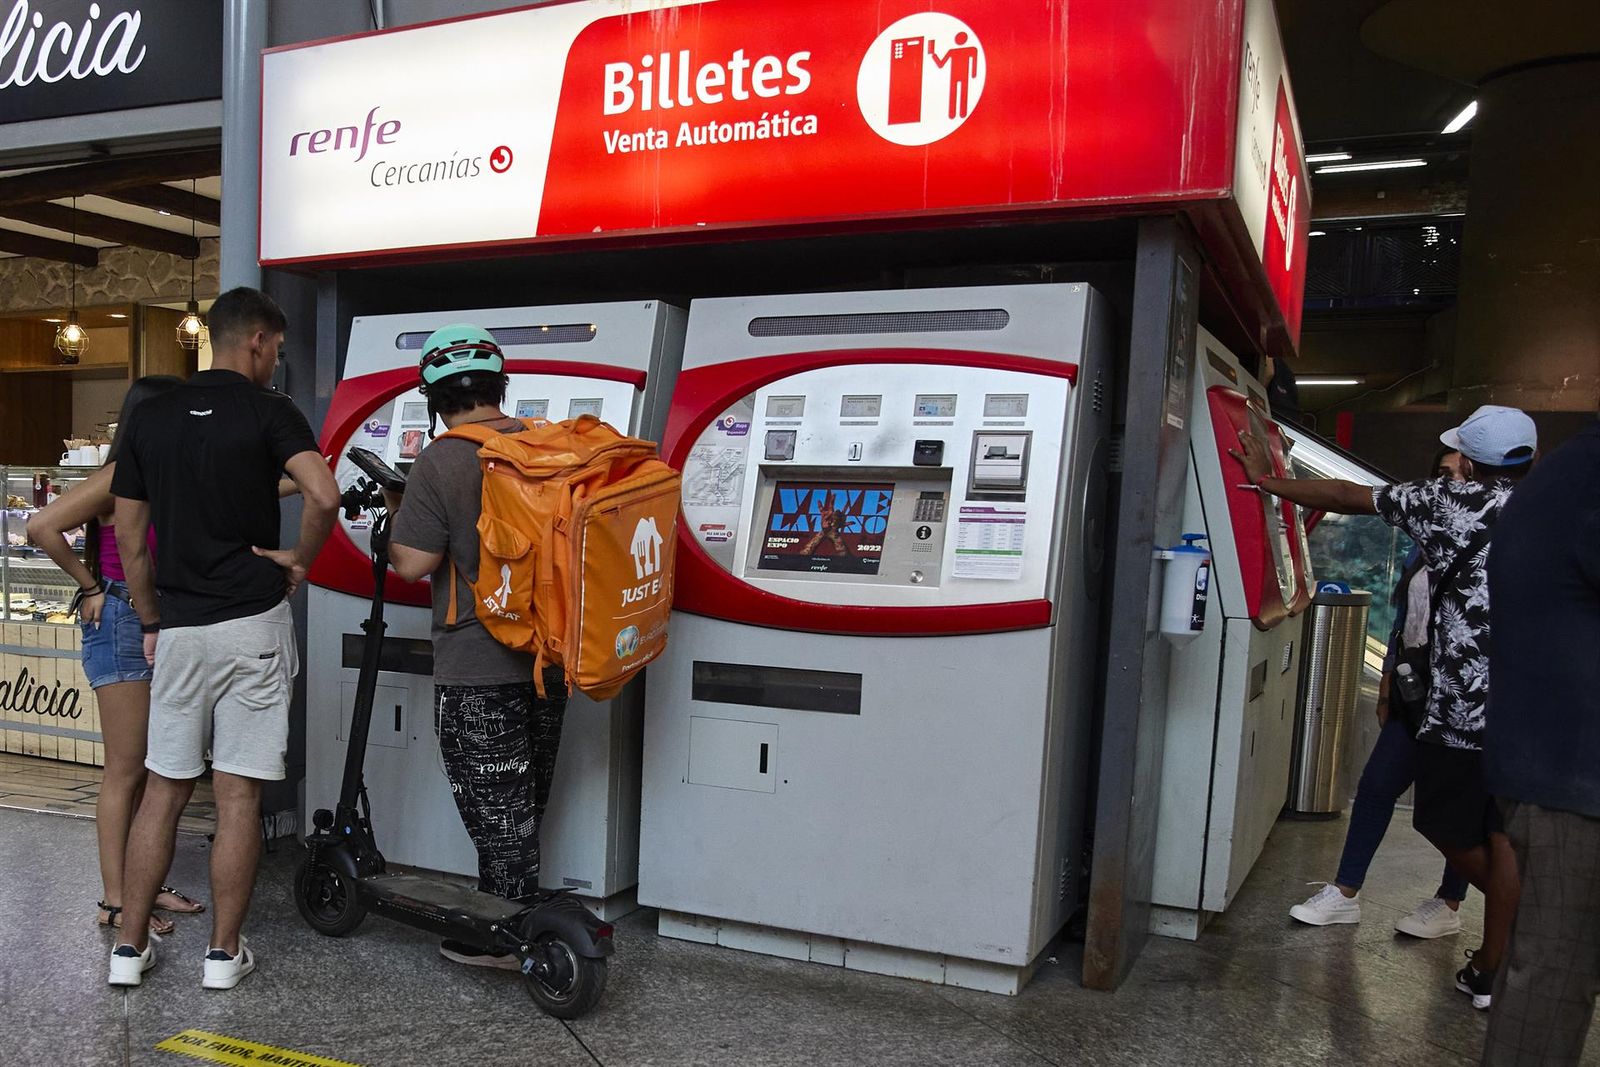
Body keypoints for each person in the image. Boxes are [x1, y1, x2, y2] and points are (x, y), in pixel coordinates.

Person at [1234, 404, 1536, 1010]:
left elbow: (1348, 494)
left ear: (1469, 461)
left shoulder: (1448, 500)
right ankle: (1493, 966)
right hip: (1532, 704)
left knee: (1442, 821)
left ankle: (1532, 923)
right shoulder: (1551, 505)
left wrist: (1268, 481)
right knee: (1500, 832)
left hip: (1462, 708)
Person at [105, 287, 340, 989]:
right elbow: (323, 494)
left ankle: (128, 948)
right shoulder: (271, 411)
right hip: (252, 624)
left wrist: (150, 618)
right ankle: (221, 955)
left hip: (179, 630)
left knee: (163, 791)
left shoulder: (151, 416)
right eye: (277, 349)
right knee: (237, 797)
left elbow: (127, 535)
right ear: (259, 341)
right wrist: (298, 560)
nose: (276, 361)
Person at [384, 323, 568, 970]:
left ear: (434, 398)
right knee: (523, 805)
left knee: (498, 810)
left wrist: (398, 508)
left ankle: (512, 940)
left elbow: (411, 562)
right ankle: (506, 913)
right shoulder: (545, 447)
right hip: (548, 660)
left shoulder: (440, 459)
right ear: (500, 385)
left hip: (476, 665)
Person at [26, 376, 208, 938]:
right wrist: (90, 586)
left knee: (157, 767)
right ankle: (114, 901)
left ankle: (144, 885)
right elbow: (40, 526)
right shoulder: (117, 474)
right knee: (126, 771)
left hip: (161, 621)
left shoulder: (165, 470)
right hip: (123, 621)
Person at [1289, 447, 1472, 936]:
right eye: (1441, 474)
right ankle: (1345, 891)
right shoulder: (1422, 538)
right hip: (1418, 689)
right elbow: (1405, 616)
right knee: (1376, 786)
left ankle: (1449, 903)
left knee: (1458, 805)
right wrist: (1390, 675)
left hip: (1466, 696)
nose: (1447, 484)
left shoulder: (1495, 538)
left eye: (1459, 475)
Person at [1481, 418, 1600, 1066]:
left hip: (1550, 770)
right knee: (1550, 985)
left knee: (1547, 975)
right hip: (1574, 782)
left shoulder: (1568, 471)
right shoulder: (1588, 482)